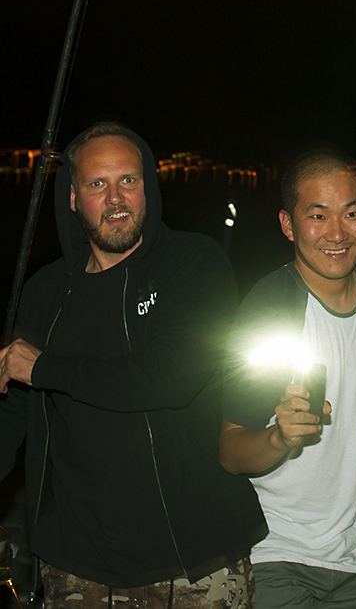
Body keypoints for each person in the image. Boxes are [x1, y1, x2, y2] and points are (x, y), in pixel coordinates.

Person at [0, 122, 267, 609]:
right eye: (98, 184)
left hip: (195, 563)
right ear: (74, 198)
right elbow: (14, 409)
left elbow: (173, 375)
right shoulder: (44, 291)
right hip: (76, 565)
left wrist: (45, 369)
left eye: (129, 180)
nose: (116, 197)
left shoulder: (193, 263)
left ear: (148, 186)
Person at [220, 151, 356, 609]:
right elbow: (230, 450)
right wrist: (279, 437)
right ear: (288, 224)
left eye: (351, 213)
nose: (337, 233)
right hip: (278, 552)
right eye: (318, 216)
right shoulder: (267, 306)